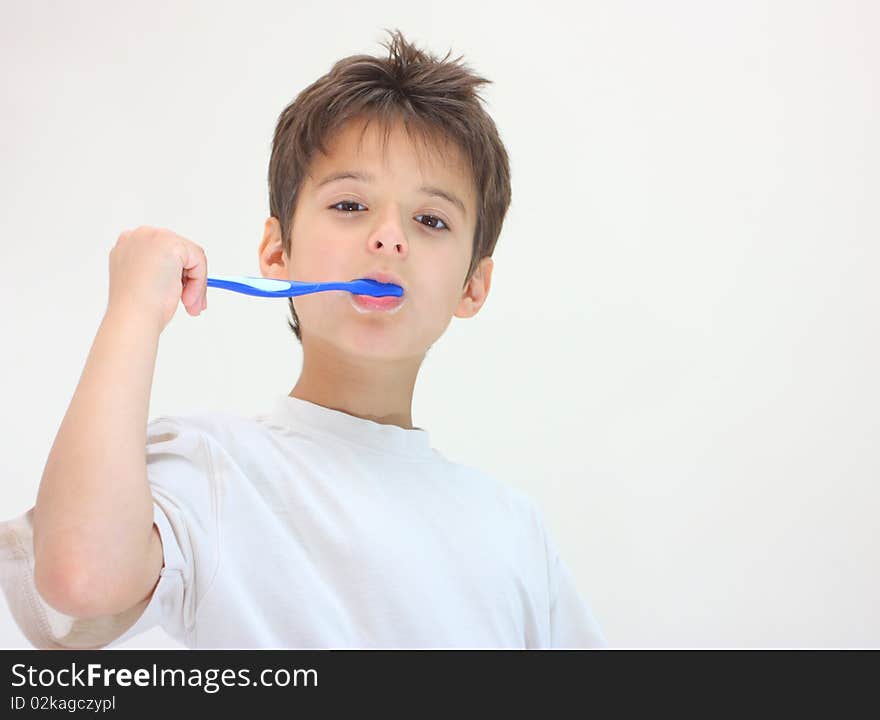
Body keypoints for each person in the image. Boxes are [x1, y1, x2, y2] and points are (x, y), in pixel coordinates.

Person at [0, 29, 607, 649]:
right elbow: (80, 577)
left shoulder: (513, 531)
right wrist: (130, 310)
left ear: (472, 287)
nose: (389, 238)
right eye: (349, 205)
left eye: (430, 220)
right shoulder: (213, 470)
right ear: (277, 251)